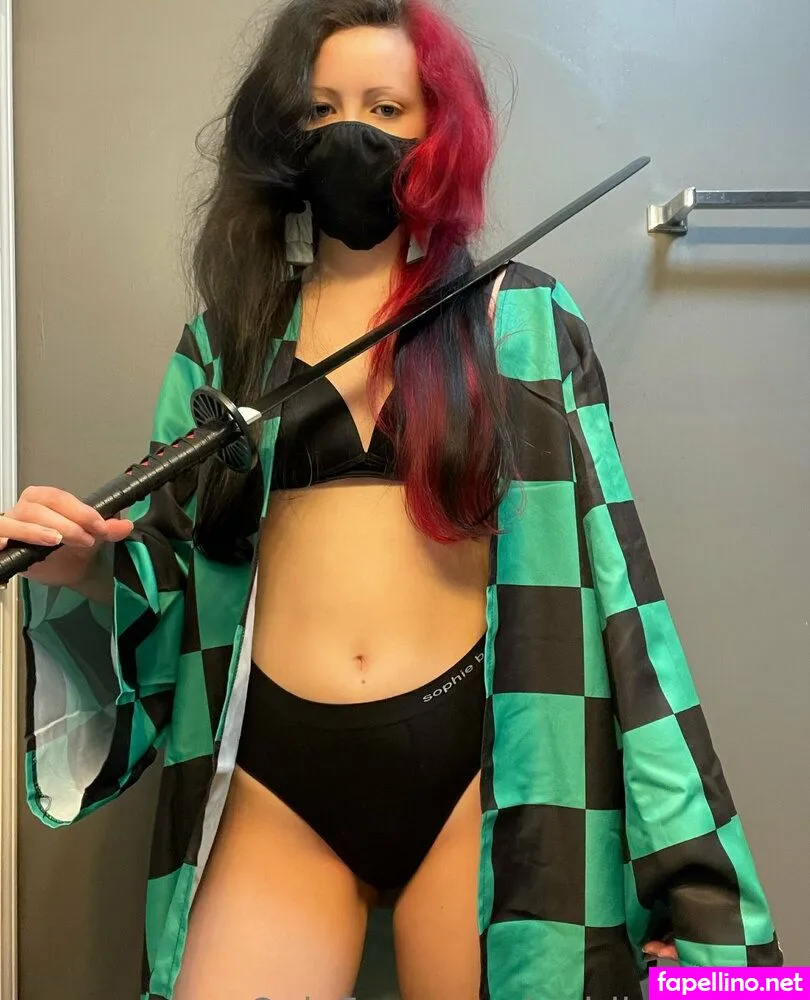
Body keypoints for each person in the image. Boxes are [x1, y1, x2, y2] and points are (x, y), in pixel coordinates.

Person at [2, 1, 781, 998]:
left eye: (384, 107)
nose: (351, 133)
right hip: (274, 778)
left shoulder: (524, 317)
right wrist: (88, 563)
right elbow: (178, 553)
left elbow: (620, 589)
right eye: (321, 107)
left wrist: (699, 904)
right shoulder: (225, 340)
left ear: (437, 129)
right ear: (282, 129)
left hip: (479, 774)